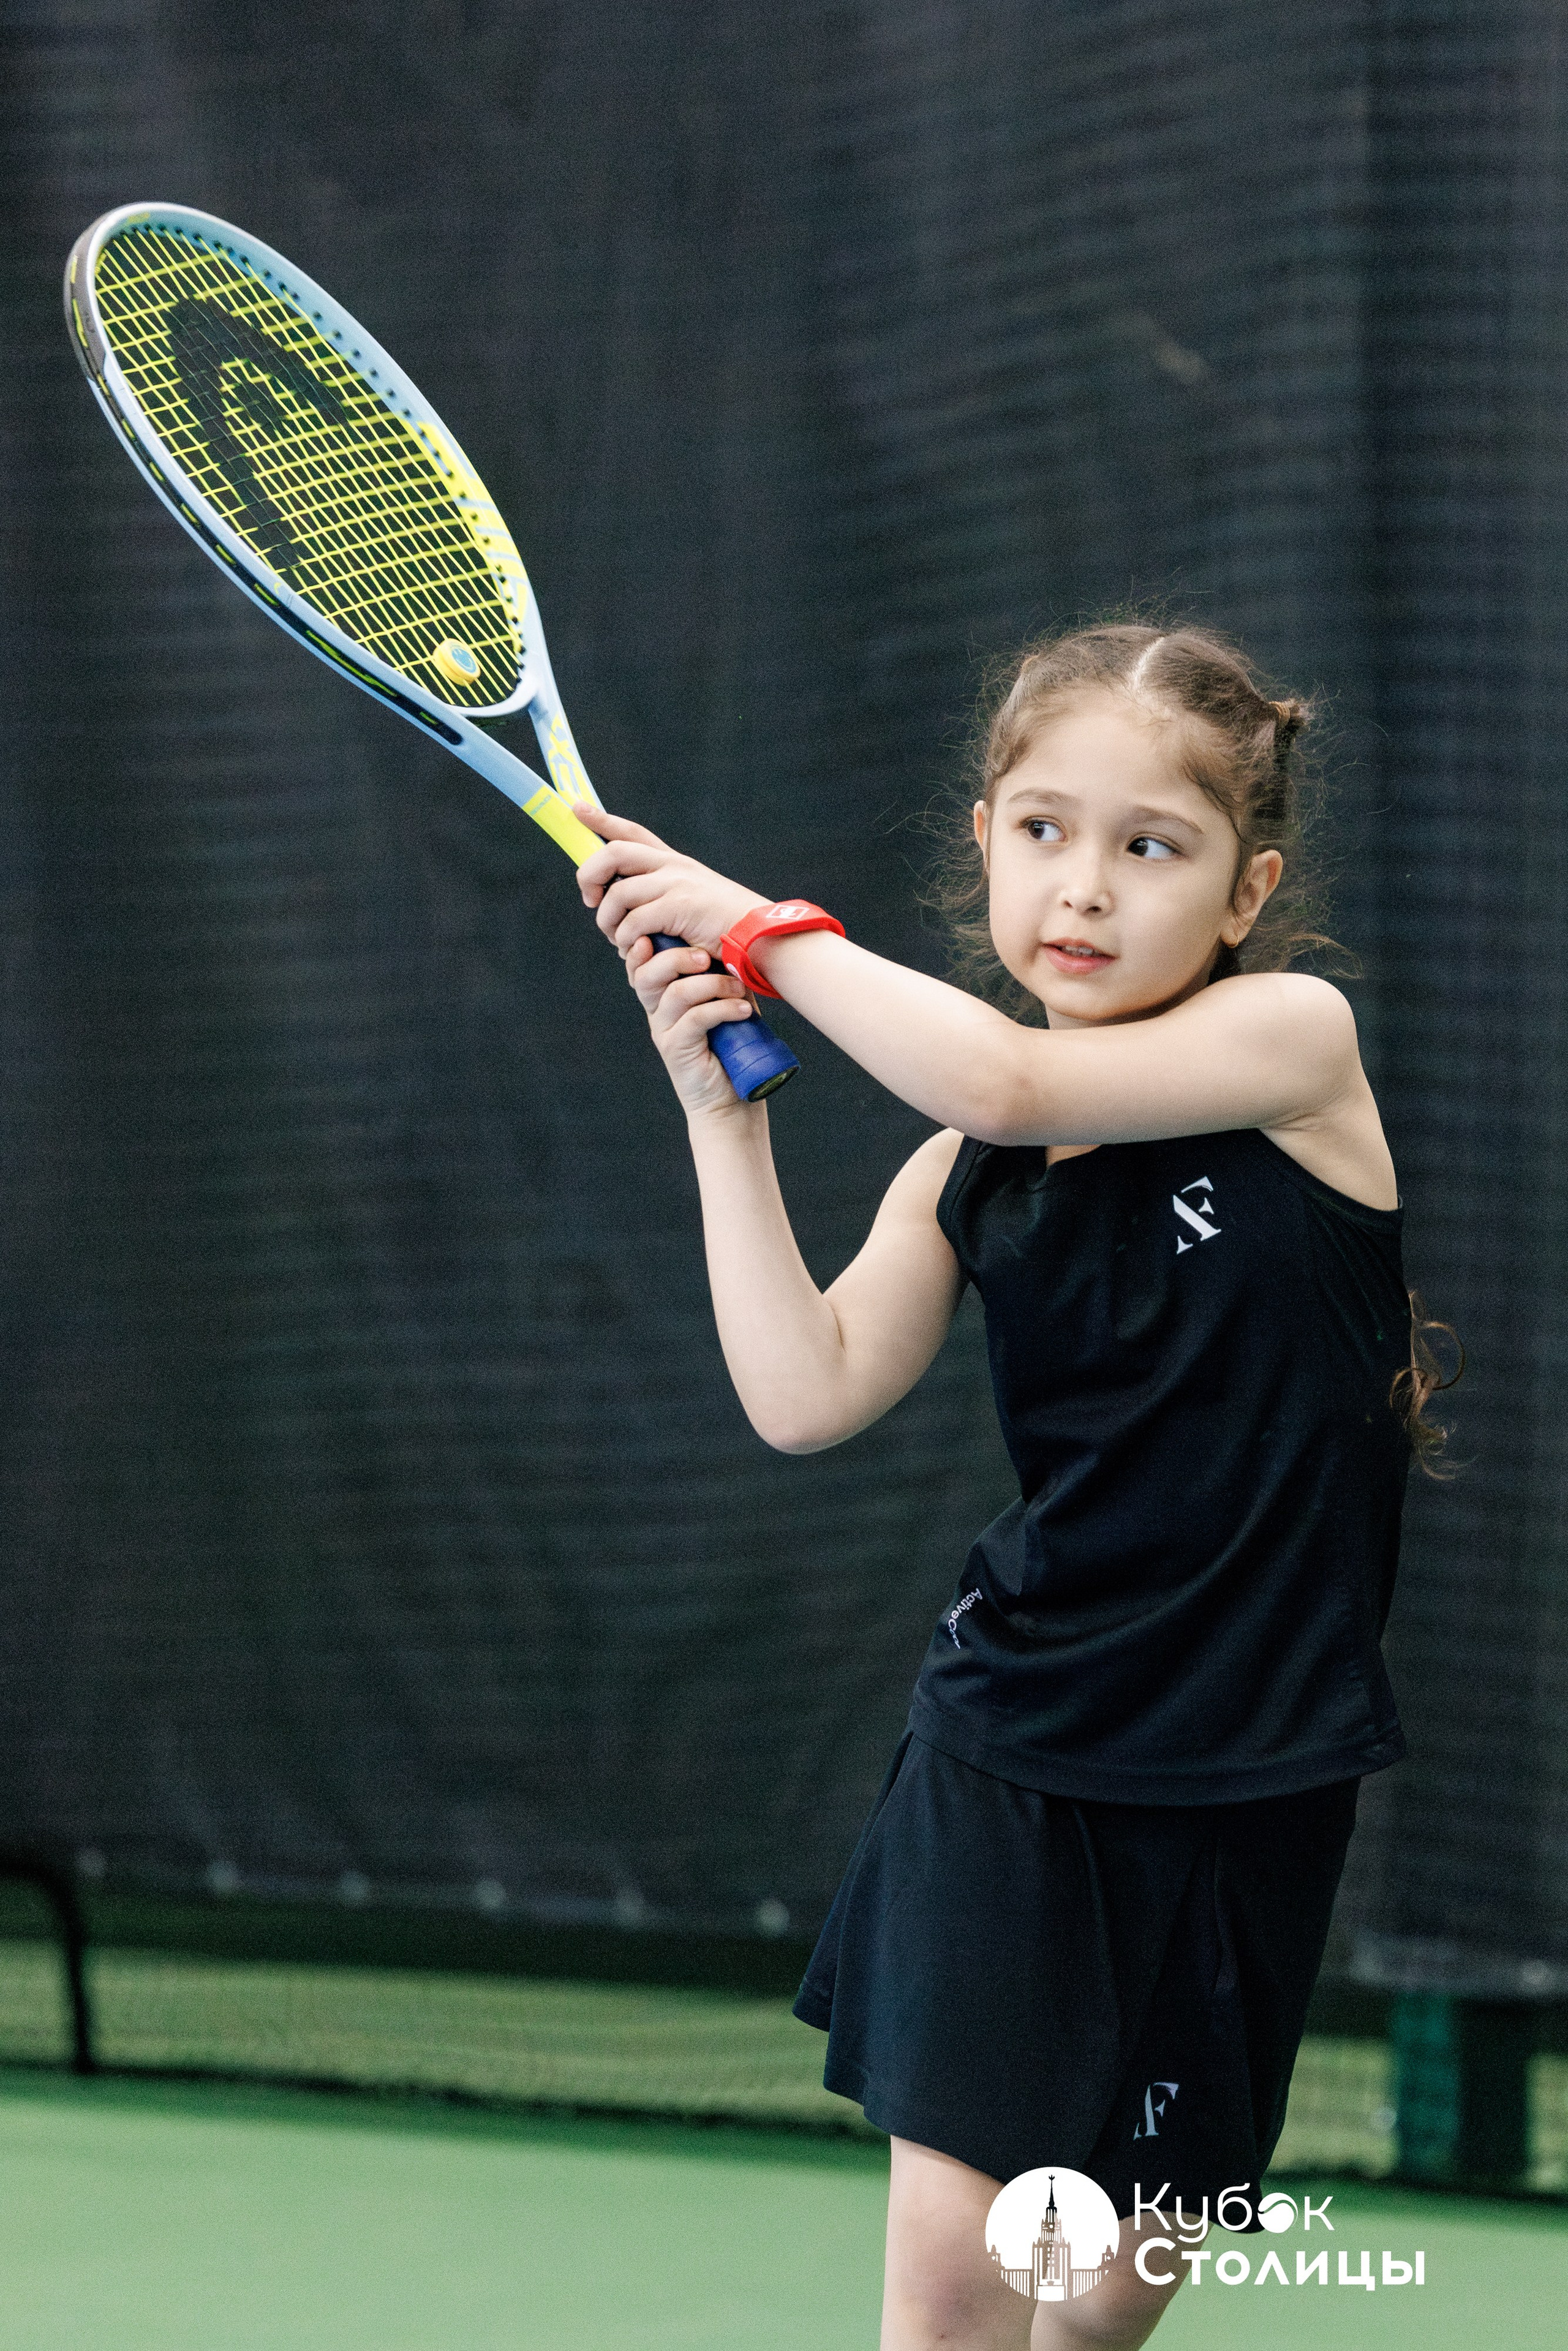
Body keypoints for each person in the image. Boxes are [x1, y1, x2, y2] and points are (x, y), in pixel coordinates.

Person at [574, 624, 1453, 2351]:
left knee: (1095, 2314)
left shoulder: (1294, 1047)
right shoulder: (959, 1172)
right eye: (1043, 830)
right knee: (963, 2310)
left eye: (1153, 846)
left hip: (1252, 1777)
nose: (1086, 888)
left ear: (1243, 890)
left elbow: (1009, 1068)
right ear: (983, 841)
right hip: (1012, 1759)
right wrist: (721, 1122)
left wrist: (754, 924)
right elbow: (806, 1391)